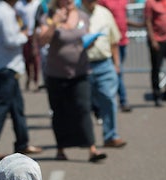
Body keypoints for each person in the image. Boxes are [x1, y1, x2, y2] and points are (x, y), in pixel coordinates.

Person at [37, 0, 107, 162]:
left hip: (80, 71)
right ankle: (60, 149)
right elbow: (42, 40)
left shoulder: (83, 16)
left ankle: (92, 149)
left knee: (83, 108)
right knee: (59, 112)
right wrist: (55, 23)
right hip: (56, 74)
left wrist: (91, 42)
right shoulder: (48, 17)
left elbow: (85, 38)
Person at [0, 0, 43, 162]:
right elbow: (11, 40)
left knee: (16, 107)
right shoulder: (5, 13)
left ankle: (22, 142)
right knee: (1, 107)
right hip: (6, 66)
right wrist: (24, 35)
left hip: (3, 65)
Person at [81, 0, 127, 148]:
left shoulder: (105, 13)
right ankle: (86, 139)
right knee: (83, 104)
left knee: (108, 99)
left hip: (104, 63)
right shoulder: (75, 14)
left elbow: (114, 40)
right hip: (82, 65)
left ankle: (110, 136)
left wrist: (116, 64)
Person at [98, 0, 132, 112]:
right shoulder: (103, 2)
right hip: (111, 42)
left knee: (117, 71)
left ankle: (116, 100)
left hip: (122, 40)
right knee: (117, 72)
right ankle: (122, 100)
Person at [16, 0, 42, 91]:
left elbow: (40, 18)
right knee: (27, 58)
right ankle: (28, 77)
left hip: (36, 34)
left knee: (35, 58)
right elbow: (17, 18)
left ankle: (36, 81)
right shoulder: (19, 5)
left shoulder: (37, 3)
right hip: (25, 35)